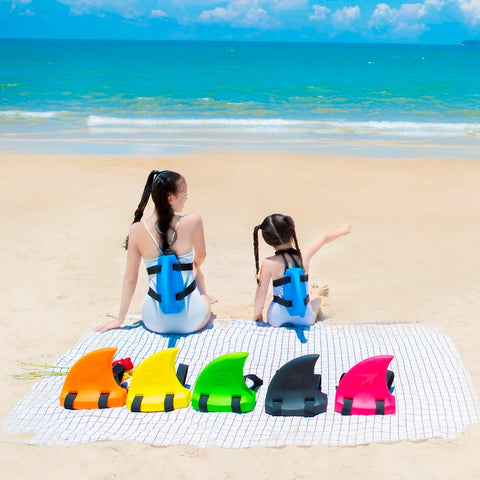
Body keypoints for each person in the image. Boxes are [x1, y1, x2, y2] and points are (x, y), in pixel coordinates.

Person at [95, 170, 212, 334]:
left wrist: (120, 319)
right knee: (198, 277)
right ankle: (204, 296)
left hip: (154, 321)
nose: (186, 198)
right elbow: (201, 256)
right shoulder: (193, 220)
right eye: (184, 194)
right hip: (191, 320)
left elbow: (130, 279)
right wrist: (194, 267)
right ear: (170, 199)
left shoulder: (136, 230)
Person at [252, 214, 350, 327]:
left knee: (271, 294)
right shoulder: (304, 255)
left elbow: (260, 296)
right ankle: (316, 294)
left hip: (277, 320)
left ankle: (313, 294)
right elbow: (323, 238)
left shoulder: (268, 263)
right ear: (291, 234)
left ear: (268, 240)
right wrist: (343, 230)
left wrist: (257, 315)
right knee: (316, 299)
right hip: (304, 319)